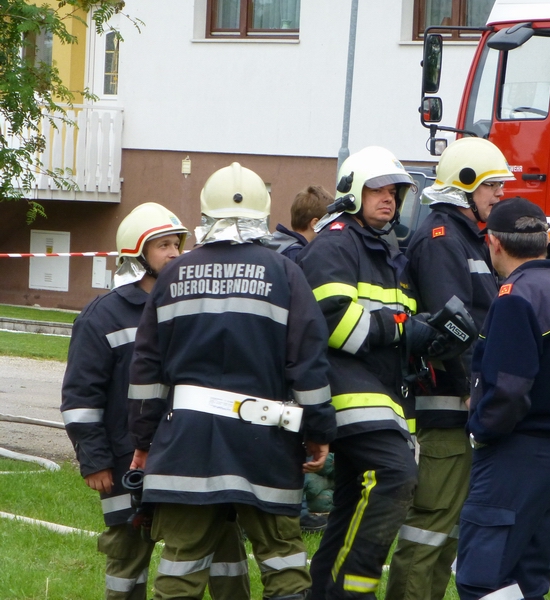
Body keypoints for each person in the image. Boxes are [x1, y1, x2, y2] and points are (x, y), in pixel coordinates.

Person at [128, 163, 335, 600]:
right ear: (262, 212)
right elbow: (308, 364)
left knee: (181, 567)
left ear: (205, 214)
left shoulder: (173, 275)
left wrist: (145, 440)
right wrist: (318, 432)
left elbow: (146, 369)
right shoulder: (285, 273)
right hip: (266, 443)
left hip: (187, 444)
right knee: (283, 563)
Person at [61, 202, 250, 600]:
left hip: (191, 454)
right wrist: (94, 460)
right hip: (126, 461)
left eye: (177, 244)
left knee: (224, 550)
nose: (175, 253)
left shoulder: (190, 307)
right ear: (136, 253)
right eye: (163, 246)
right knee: (127, 557)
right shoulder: (101, 317)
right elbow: (81, 397)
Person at [300, 146, 437, 599]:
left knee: (349, 504)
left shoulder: (386, 251)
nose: (389, 198)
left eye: (395, 191)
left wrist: (426, 334)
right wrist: (401, 329)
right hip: (350, 395)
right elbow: (333, 320)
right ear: (353, 192)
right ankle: (351, 591)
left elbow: (400, 324)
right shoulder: (336, 242)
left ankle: (325, 592)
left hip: (382, 392)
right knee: (395, 475)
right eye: (378, 189)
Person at [385, 137, 515, 600]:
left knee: (448, 524)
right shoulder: (442, 239)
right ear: (465, 186)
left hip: (462, 399)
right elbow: (453, 325)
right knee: (433, 521)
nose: (500, 194)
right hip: (448, 401)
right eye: (492, 186)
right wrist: (474, 386)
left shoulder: (464, 236)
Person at [455, 198, 550, 600]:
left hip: (515, 454)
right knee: (527, 578)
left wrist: (481, 430)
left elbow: (509, 388)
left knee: (482, 578)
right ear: (543, 242)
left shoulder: (515, 296)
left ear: (494, 243)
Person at [265, 183, 335, 533]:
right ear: (315, 223)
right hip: (288, 364)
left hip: (267, 363)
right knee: (296, 430)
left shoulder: (274, 247)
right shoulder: (298, 258)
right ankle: (301, 509)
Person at [268, 185, 333, 263]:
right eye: (328, 224)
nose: (330, 230)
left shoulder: (275, 244)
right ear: (315, 223)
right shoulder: (299, 255)